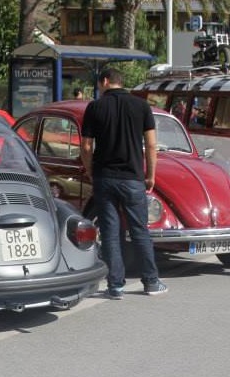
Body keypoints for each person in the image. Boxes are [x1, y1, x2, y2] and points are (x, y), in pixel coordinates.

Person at [80, 68, 167, 299]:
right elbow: (151, 145)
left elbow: (87, 146)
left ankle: (115, 285)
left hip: (104, 177)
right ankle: (151, 282)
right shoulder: (141, 106)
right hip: (133, 178)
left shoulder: (95, 108)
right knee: (140, 230)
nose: (99, 89)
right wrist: (151, 175)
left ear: (106, 81)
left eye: (99, 85)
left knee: (110, 232)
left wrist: (90, 171)